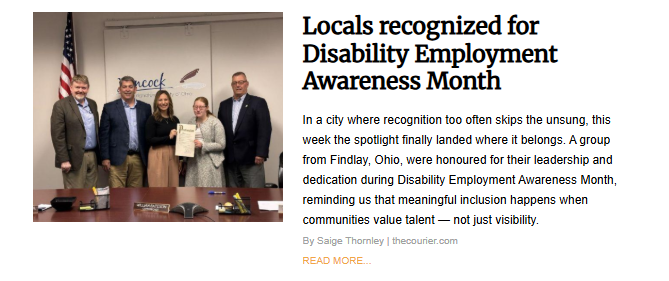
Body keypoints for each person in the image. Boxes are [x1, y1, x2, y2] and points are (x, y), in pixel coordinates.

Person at [217, 72, 271, 188]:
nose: (238, 85)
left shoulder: (258, 102)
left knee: (255, 193)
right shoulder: (224, 105)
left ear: (247, 84)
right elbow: (220, 131)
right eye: (235, 83)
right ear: (231, 85)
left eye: (241, 82)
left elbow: (264, 129)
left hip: (251, 158)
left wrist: (261, 153)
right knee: (233, 196)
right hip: (230, 159)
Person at [99, 76, 152, 188]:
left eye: (130, 87)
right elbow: (104, 134)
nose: (127, 89)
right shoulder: (109, 107)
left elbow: (149, 133)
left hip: (138, 158)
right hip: (116, 158)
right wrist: (105, 157)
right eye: (124, 87)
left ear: (135, 89)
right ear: (120, 89)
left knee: (136, 193)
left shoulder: (145, 108)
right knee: (117, 194)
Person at [50, 74, 100, 189]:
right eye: (77, 87)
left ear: (88, 88)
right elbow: (58, 135)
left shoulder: (92, 104)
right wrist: (64, 160)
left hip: (92, 155)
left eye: (83, 88)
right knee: (75, 195)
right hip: (73, 157)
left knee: (92, 194)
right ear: (71, 88)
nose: (80, 90)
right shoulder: (61, 105)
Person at [185, 97, 226, 187]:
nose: (198, 110)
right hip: (194, 162)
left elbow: (221, 144)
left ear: (207, 108)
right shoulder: (191, 121)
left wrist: (203, 145)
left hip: (210, 163)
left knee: (208, 192)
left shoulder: (215, 122)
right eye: (195, 107)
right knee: (193, 192)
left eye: (201, 107)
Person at [145, 90, 180, 187]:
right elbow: (149, 140)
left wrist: (181, 159)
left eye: (165, 99)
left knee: (173, 185)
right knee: (158, 185)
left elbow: (179, 141)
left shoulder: (175, 119)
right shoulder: (152, 119)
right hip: (157, 153)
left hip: (173, 154)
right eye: (160, 100)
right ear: (156, 102)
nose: (163, 102)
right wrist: (168, 137)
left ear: (169, 101)